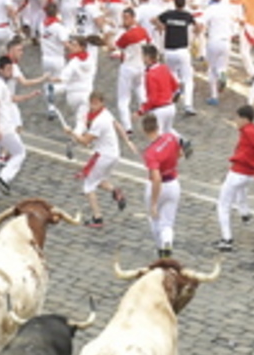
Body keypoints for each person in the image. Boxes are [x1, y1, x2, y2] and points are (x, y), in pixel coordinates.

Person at [63, 91, 134, 228]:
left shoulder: (99, 121)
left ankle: (97, 218)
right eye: (92, 102)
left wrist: (71, 132)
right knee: (99, 180)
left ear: (102, 103)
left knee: (88, 186)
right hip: (113, 154)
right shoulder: (105, 113)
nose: (93, 105)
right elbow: (117, 124)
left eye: (96, 103)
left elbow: (84, 141)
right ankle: (115, 191)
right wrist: (127, 141)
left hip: (103, 156)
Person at [214, 105, 254, 252]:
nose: (235, 121)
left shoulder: (249, 132)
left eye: (237, 118)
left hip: (238, 173)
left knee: (223, 205)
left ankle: (226, 239)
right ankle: (245, 214)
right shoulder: (252, 130)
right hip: (249, 175)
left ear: (244, 119)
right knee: (240, 190)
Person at [0, 56, 41, 210]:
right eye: (7, 69)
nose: (10, 72)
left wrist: (29, 96)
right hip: (2, 128)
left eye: (11, 69)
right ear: (1, 70)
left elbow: (10, 99)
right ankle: (4, 177)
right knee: (20, 153)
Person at [141, 113, 182, 259]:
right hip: (173, 183)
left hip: (158, 186)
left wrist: (153, 202)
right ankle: (167, 244)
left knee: (154, 219)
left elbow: (156, 178)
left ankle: (161, 251)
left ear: (144, 130)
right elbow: (180, 153)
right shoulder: (171, 138)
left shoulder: (150, 152)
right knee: (168, 223)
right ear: (158, 126)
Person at [154, 0, 199, 116]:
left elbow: (154, 19)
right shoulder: (187, 16)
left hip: (169, 50)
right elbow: (197, 26)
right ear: (184, 4)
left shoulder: (168, 14)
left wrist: (161, 27)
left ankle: (176, 89)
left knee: (172, 74)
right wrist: (196, 35)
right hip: (183, 50)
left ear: (174, 3)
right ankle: (188, 105)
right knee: (188, 79)